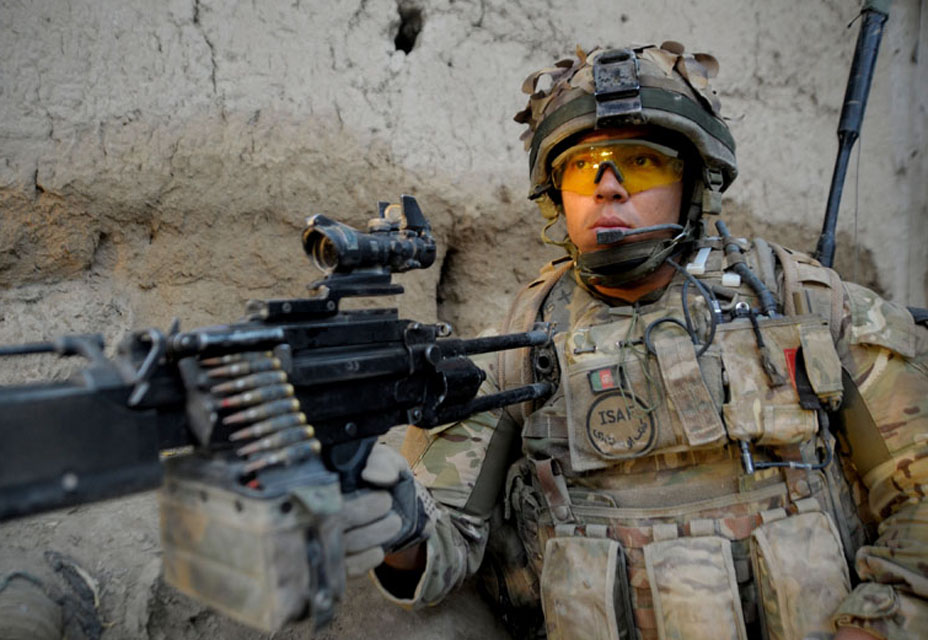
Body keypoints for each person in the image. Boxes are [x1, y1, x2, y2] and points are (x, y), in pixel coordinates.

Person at [341, 42, 928, 640]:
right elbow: (441, 548)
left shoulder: (803, 303)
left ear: (695, 179)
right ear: (556, 193)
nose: (607, 189)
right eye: (581, 168)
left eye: (642, 163)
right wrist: (391, 519)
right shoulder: (518, 346)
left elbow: (920, 497)